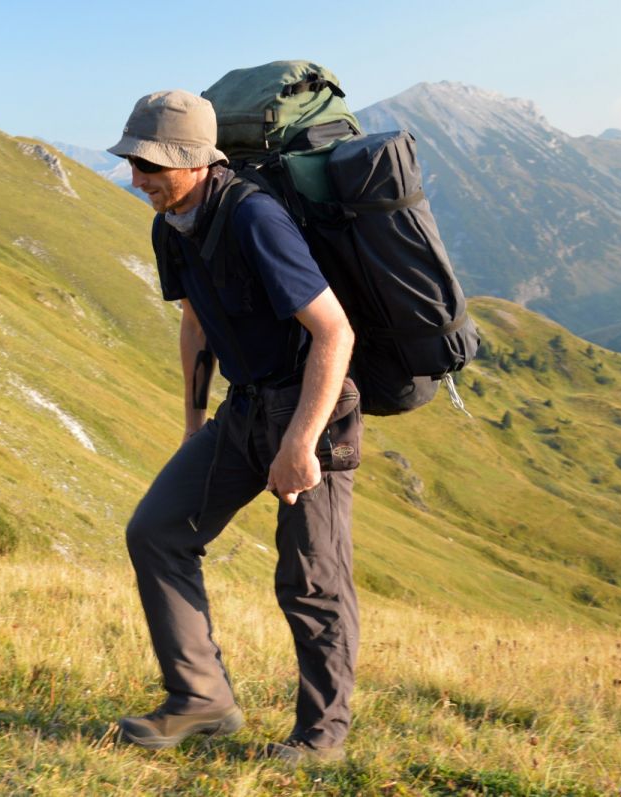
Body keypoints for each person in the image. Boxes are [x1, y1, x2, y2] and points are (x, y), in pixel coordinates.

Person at [107, 90, 359, 763]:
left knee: (311, 579)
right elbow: (195, 322)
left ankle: (321, 738)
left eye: (152, 164)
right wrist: (193, 428)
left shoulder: (253, 217)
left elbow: (335, 331)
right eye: (135, 161)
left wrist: (302, 442)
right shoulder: (171, 226)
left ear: (193, 160)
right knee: (157, 530)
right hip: (243, 408)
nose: (139, 176)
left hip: (308, 408)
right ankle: (201, 701)